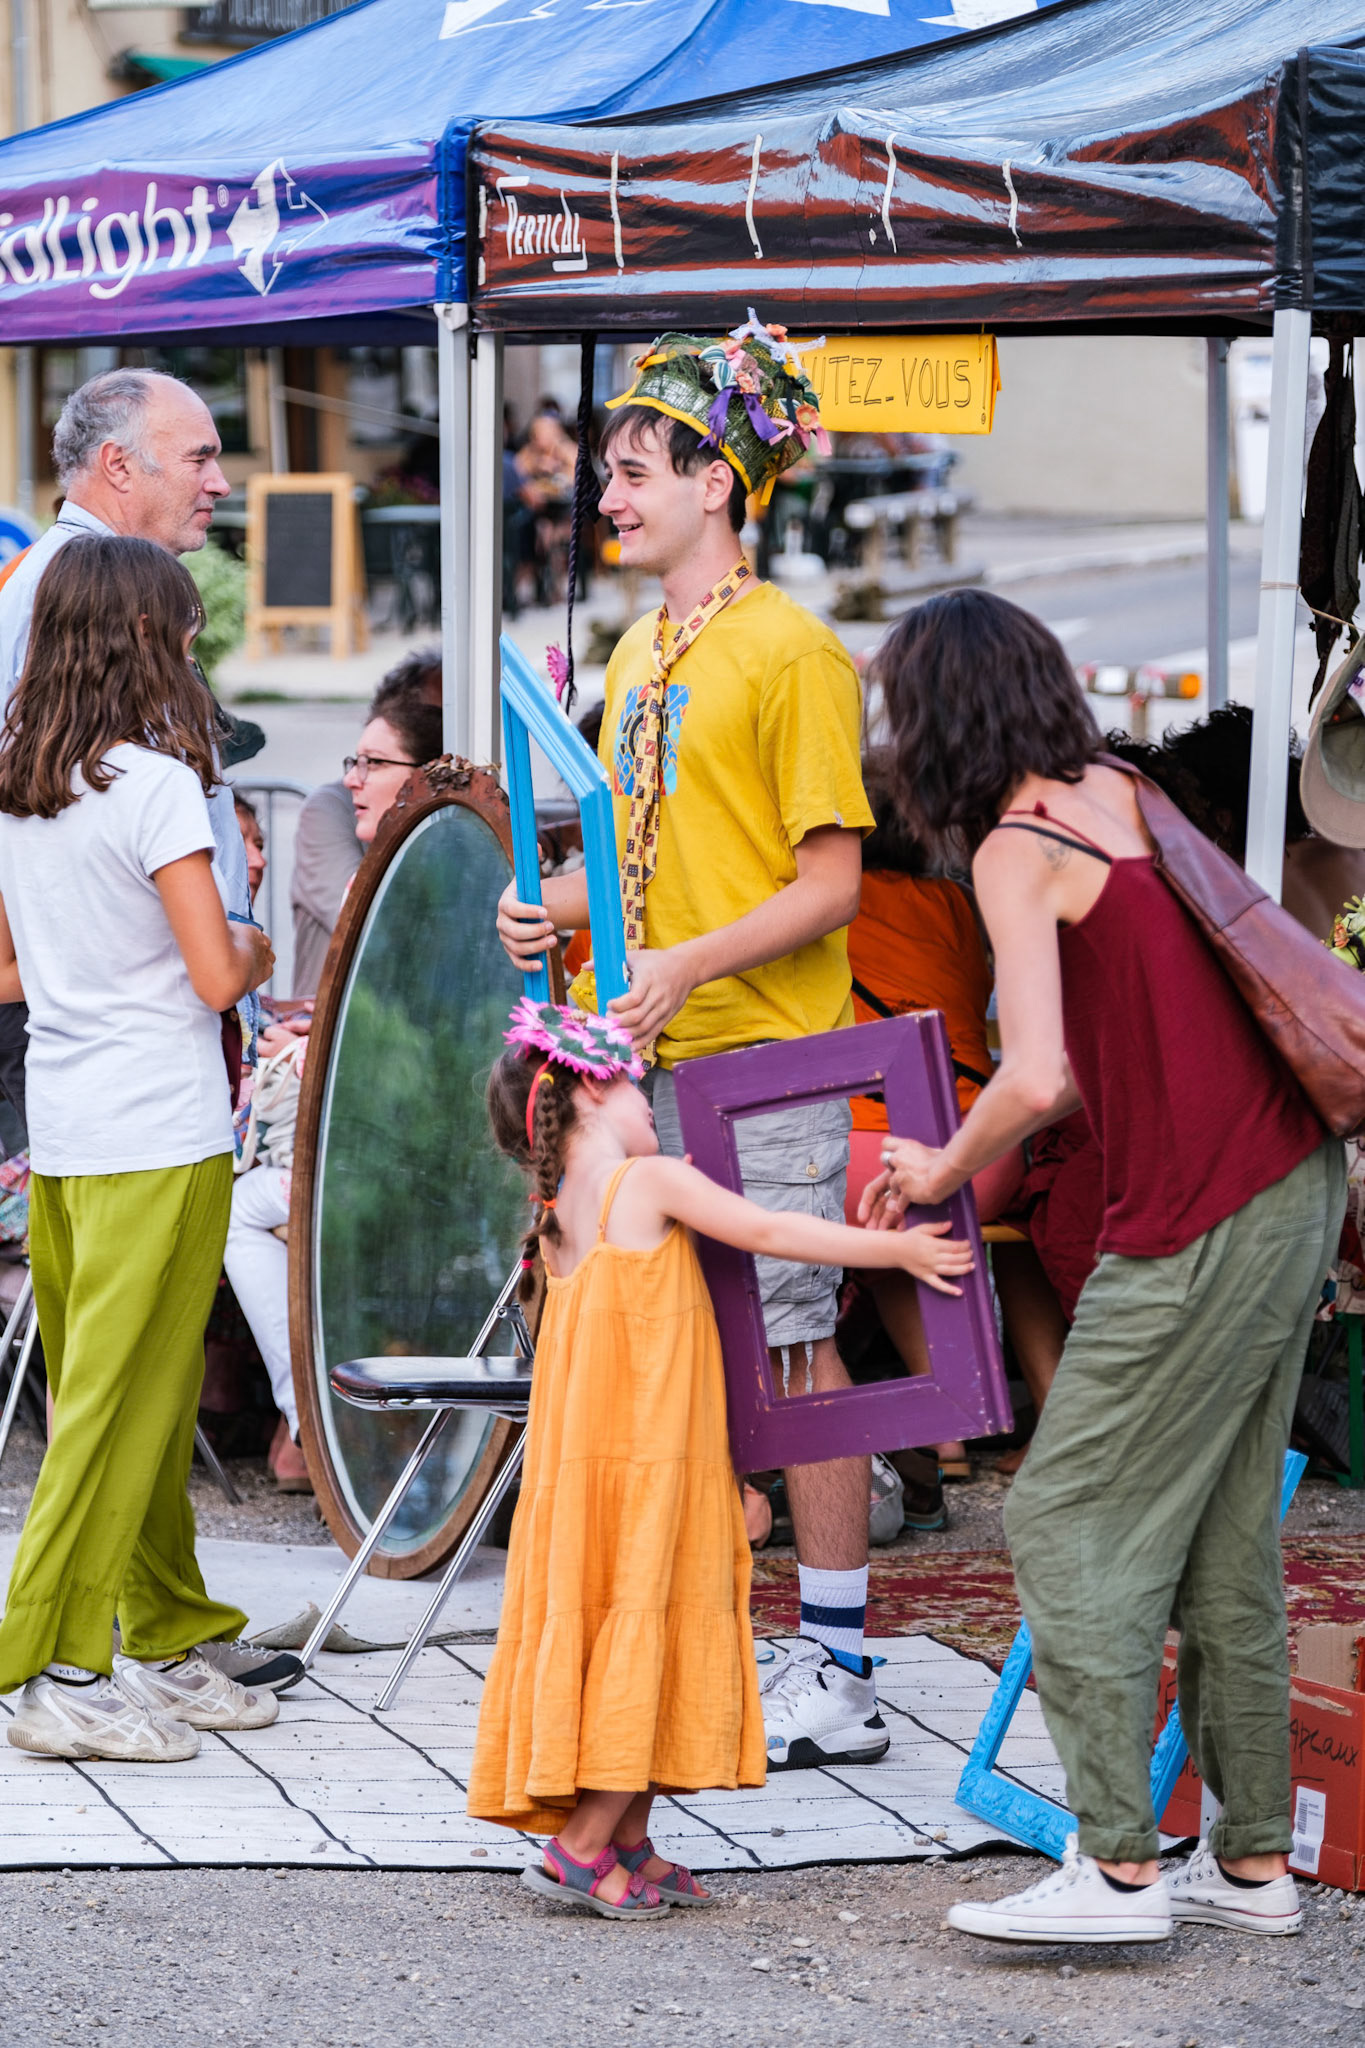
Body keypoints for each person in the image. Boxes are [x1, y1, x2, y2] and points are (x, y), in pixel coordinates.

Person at [864, 588, 1342, 1946]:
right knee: (1221, 1537)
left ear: (939, 719)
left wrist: (937, 1171)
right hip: (1289, 1179)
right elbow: (1094, 1052)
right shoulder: (1123, 793)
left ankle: (1117, 1865)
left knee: (1062, 1512)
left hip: (1199, 1207)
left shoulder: (1017, 841)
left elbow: (1033, 1077)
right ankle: (1251, 1864)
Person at [496, 318, 888, 1773]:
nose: (604, 495)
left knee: (788, 1342)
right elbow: (637, 862)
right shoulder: (634, 647)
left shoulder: (794, 649)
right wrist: (548, 913)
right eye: (606, 472)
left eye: (633, 470)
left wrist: (677, 967)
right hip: (640, 1061)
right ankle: (700, 1638)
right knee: (660, 1349)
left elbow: (832, 883)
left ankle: (840, 1667)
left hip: (765, 1052)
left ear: (717, 481)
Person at [467, 998, 973, 1914]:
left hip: (595, 1476)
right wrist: (892, 1248)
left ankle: (629, 1838)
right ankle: (580, 1846)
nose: (648, 1103)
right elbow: (769, 1232)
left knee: (633, 1630)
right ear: (590, 1094)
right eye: (634, 1086)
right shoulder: (647, 1181)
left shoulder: (560, 1214)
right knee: (658, 1628)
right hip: (659, 1465)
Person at [0, 535, 293, 1761]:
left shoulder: (25, 778)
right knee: (119, 1410)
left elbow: (8, 970)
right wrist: (256, 940)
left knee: (134, 1398)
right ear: (146, 639)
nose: (193, 652)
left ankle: (164, 1632)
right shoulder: (159, 785)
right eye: (184, 633)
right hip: (158, 1127)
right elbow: (220, 972)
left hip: (69, 1124)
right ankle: (48, 1665)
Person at [0, 369, 243, 1124]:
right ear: (118, 464)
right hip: (118, 1047)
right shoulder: (58, 593)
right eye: (200, 458)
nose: (221, 483)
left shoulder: (84, 583)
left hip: (120, 1026)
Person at [290, 648, 441, 994]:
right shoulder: (330, 809)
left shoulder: (456, 841)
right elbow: (377, 934)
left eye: (374, 762)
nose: (352, 779)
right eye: (360, 761)